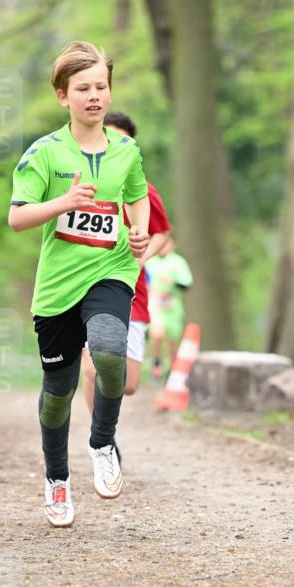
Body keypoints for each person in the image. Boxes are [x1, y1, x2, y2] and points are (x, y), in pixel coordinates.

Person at [8, 40, 150, 528]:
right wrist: (64, 203)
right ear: (62, 96)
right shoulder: (44, 153)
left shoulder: (126, 150)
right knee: (58, 389)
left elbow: (137, 197)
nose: (94, 96)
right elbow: (18, 218)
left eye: (101, 86)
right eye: (83, 88)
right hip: (56, 288)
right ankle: (56, 479)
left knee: (110, 350)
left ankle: (103, 441)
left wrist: (140, 230)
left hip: (111, 271)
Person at [81, 110, 170, 418]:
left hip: (132, 289)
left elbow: (161, 233)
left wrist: (140, 255)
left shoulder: (142, 187)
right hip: (87, 284)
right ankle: (102, 442)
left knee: (128, 383)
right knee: (95, 367)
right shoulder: (81, 181)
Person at [145, 233, 193, 379]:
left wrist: (172, 282)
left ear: (173, 244)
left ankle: (173, 372)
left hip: (172, 307)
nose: (163, 247)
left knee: (172, 342)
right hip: (154, 304)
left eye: (167, 243)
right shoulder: (150, 261)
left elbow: (186, 283)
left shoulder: (178, 262)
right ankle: (157, 362)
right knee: (156, 332)